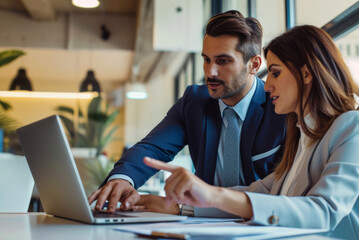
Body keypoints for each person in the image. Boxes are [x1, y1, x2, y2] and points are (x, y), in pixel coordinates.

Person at [140, 25, 359, 239]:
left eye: (275, 73)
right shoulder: (301, 136)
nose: (267, 85)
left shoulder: (352, 126)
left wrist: (212, 194)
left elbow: (324, 211)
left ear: (306, 74)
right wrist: (184, 207)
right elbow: (259, 193)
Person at [88, 10, 286, 213]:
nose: (210, 72)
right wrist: (122, 178)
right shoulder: (195, 102)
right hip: (200, 226)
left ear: (254, 65)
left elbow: (285, 192)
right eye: (207, 60)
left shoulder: (280, 106)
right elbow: (151, 148)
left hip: (262, 224)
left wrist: (184, 208)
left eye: (223, 61)